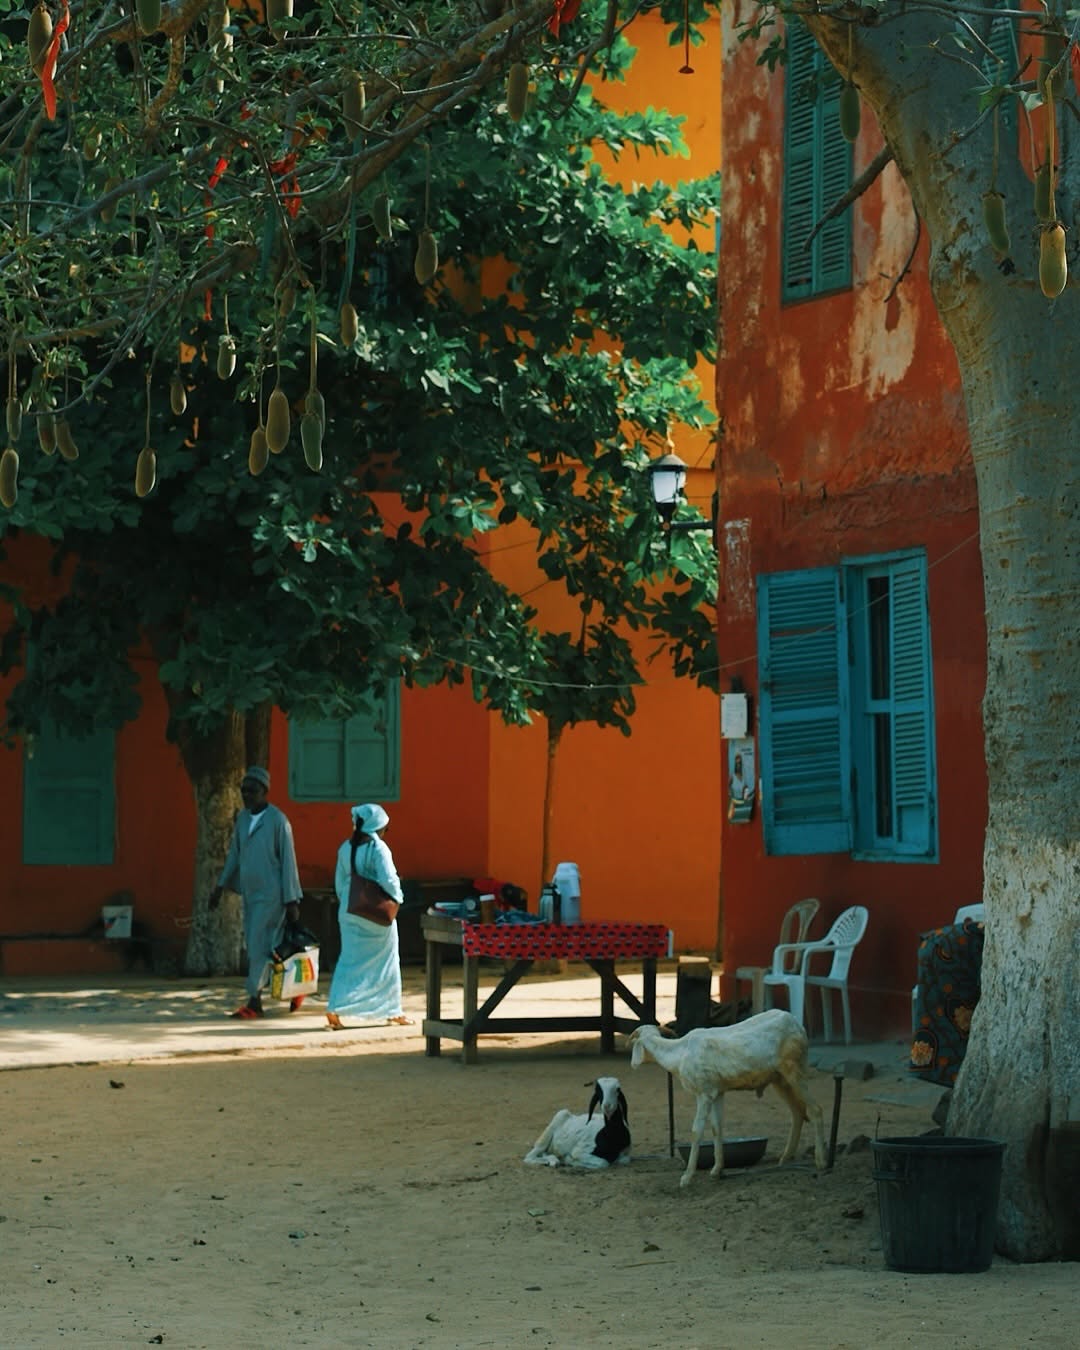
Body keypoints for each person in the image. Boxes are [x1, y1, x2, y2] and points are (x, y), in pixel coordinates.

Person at [208, 766, 304, 1019]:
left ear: (264, 791)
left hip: (273, 894)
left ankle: (254, 1001)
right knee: (265, 945)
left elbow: (288, 861)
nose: (247, 796)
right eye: (244, 791)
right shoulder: (242, 819)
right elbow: (235, 855)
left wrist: (292, 898)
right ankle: (295, 988)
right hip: (251, 894)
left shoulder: (277, 821)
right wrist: (220, 886)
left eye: (252, 791)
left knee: (258, 946)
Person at [326, 803, 412, 1029]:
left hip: (349, 911)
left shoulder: (345, 848)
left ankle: (335, 1008)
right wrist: (398, 899)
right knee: (388, 962)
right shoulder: (379, 849)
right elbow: (390, 881)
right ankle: (392, 1010)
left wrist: (348, 901)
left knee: (348, 960)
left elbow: (339, 883)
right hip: (376, 915)